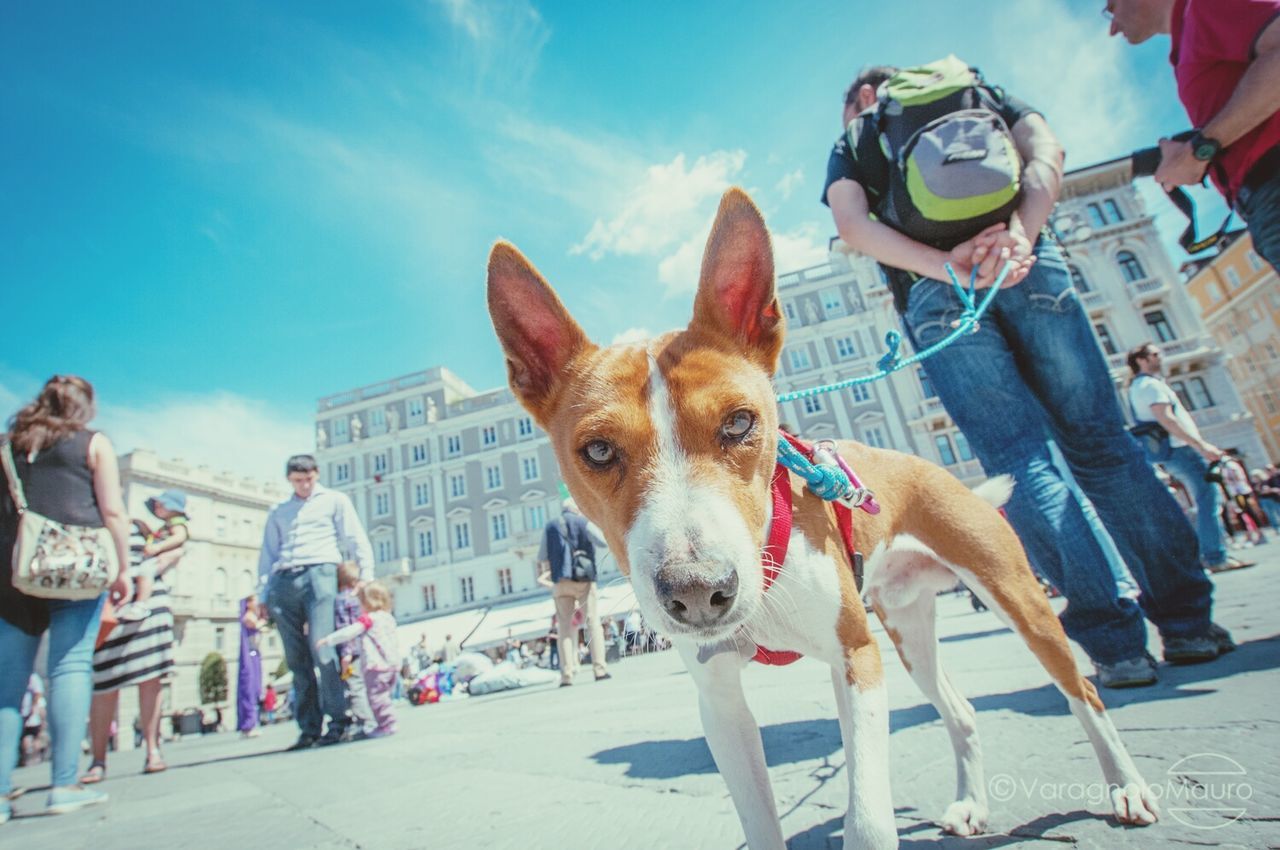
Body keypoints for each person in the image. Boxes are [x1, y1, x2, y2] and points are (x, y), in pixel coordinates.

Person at [824, 64, 1233, 688]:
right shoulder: (975, 94)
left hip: (938, 297)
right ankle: (1189, 625)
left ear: (861, 99)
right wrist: (1019, 234)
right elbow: (1048, 152)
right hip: (1031, 266)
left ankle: (1114, 645)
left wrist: (946, 267)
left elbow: (852, 226)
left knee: (1022, 463)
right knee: (1104, 443)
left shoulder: (856, 138)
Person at [0, 376, 131, 823]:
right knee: (70, 665)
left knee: (8, 681)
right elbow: (112, 510)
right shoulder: (93, 444)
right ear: (85, 407)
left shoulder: (7, 446)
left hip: (13, 570)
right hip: (76, 565)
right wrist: (124, 569)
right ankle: (63, 784)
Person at [1106, 0, 1280, 271]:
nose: (1113, 28)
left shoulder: (1204, 6)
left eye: (1111, 8)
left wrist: (1201, 149)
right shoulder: (1191, 31)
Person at [259, 454, 373, 750]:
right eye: (298, 480)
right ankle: (308, 728)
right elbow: (268, 554)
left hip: (321, 571)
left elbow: (354, 536)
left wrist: (366, 575)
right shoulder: (279, 511)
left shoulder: (334, 500)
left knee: (323, 650)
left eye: (309, 479)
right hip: (284, 578)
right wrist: (262, 594)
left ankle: (338, 721)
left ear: (317, 474)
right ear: (289, 480)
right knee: (297, 659)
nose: (305, 485)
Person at [84, 494, 188, 782]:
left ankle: (152, 749)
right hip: (109, 605)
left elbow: (173, 551)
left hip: (147, 607)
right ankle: (98, 759)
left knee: (150, 679)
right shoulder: (93, 526)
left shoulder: (141, 528)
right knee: (104, 684)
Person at [1127, 343, 1254, 572]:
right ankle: (1214, 556)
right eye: (1155, 354)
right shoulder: (1150, 386)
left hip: (1173, 450)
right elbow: (1167, 419)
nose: (1161, 357)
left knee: (1205, 499)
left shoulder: (1139, 386)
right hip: (1180, 449)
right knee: (1208, 499)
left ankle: (1212, 553)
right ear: (1141, 360)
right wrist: (1201, 445)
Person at [537, 499, 610, 687]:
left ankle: (567, 674)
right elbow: (602, 542)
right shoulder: (583, 522)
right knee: (593, 622)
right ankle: (599, 669)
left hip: (561, 581)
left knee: (564, 629)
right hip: (584, 579)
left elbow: (542, 557)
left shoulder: (550, 526)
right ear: (576, 509)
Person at [315, 581, 400, 738]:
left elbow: (349, 632)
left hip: (376, 665)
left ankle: (387, 724)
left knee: (376, 697)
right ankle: (386, 722)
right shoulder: (388, 617)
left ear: (368, 602)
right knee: (384, 695)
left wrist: (328, 639)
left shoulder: (368, 619)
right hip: (392, 664)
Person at [116, 490, 190, 621]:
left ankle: (140, 605)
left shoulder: (177, 523)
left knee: (145, 571)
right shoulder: (167, 525)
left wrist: (158, 547)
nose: (156, 509)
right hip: (160, 556)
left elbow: (180, 537)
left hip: (162, 556)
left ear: (172, 508)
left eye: (160, 505)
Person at [334, 562, 375, 739]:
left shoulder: (341, 600)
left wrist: (345, 654)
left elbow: (344, 627)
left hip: (351, 652)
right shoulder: (358, 599)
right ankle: (369, 720)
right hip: (363, 648)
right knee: (363, 685)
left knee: (354, 687)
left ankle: (365, 722)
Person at [1219, 452, 1267, 545]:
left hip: (1239, 493)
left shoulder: (1229, 466)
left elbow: (1234, 478)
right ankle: (1253, 534)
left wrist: (1228, 480)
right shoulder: (1229, 466)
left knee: (1246, 512)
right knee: (1243, 513)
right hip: (1237, 492)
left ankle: (1256, 534)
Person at [237, 593, 265, 738]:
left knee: (255, 687)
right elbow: (257, 624)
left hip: (255, 653)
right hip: (251, 652)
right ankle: (248, 723)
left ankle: (253, 721)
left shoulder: (254, 616)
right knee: (249, 686)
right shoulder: (249, 617)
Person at [1253, 464, 1280, 529]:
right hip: (1273, 499)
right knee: (1272, 515)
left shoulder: (1276, 476)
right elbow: (1262, 491)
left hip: (1274, 498)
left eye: (1270, 469)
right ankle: (1277, 528)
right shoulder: (1267, 480)